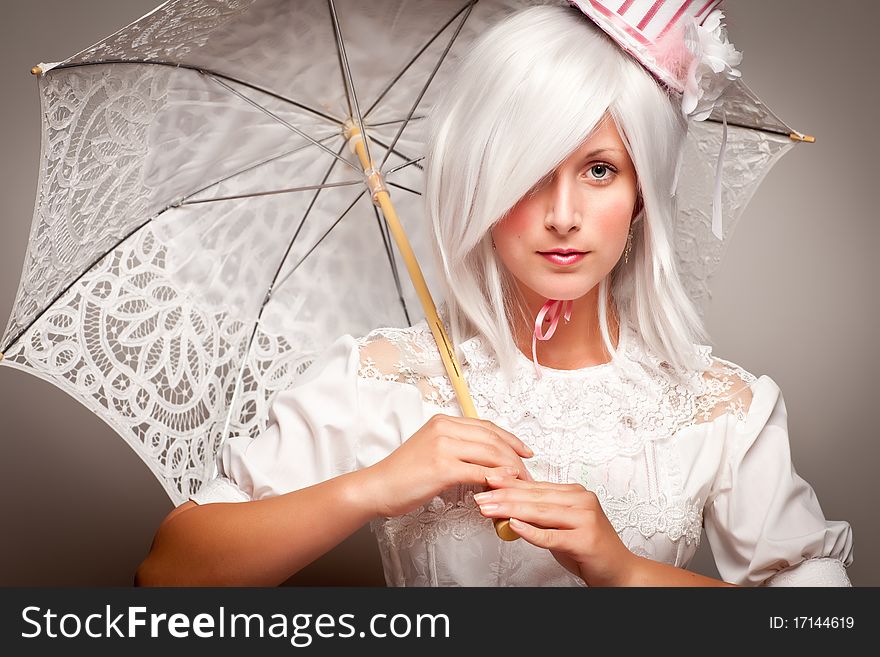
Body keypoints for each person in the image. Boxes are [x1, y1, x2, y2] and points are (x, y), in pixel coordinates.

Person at [135, 2, 854, 587]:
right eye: (531, 169)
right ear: (482, 184)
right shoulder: (392, 379)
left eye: (600, 170)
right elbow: (166, 577)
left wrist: (624, 572)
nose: (563, 213)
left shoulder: (722, 407)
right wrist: (374, 486)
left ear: (640, 195)